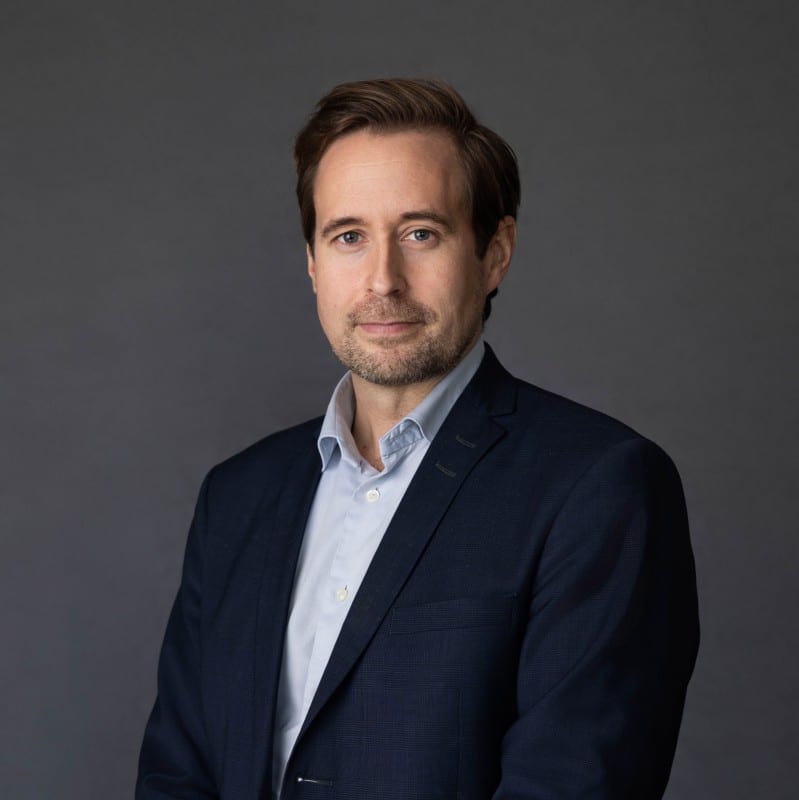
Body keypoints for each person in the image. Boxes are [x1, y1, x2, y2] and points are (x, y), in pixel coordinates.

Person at [136, 78, 699, 800]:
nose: (383, 281)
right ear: (312, 263)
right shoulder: (238, 497)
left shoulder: (599, 486)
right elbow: (175, 772)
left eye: (420, 234)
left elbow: (573, 783)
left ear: (495, 253)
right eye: (348, 237)